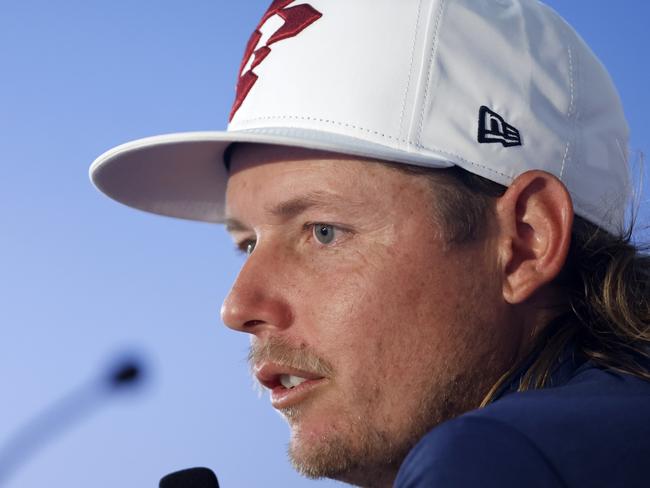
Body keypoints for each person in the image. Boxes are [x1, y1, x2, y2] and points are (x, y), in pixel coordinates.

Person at [90, 0, 650, 486]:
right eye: (246, 243)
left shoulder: (496, 458)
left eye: (323, 232)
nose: (238, 307)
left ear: (526, 241)